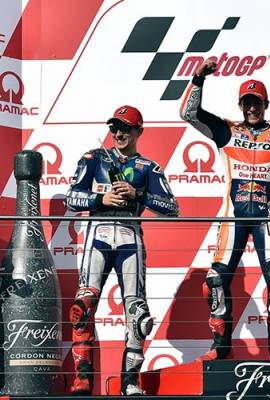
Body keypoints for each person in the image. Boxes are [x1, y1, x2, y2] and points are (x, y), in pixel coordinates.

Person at [179, 59, 270, 360]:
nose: (252, 108)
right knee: (215, 280)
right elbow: (188, 113)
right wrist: (198, 78)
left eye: (257, 102)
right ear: (240, 105)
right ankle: (220, 346)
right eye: (247, 103)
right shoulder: (227, 131)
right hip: (232, 218)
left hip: (267, 219)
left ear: (266, 104)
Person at [65, 105, 179, 395]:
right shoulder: (94, 158)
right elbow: (71, 198)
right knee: (82, 308)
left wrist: (138, 193)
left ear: (139, 131)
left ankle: (130, 382)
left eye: (125, 128)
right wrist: (101, 199)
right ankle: (83, 380)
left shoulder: (149, 167)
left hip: (131, 237)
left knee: (137, 315)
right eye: (114, 127)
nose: (118, 133)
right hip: (98, 234)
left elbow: (172, 207)